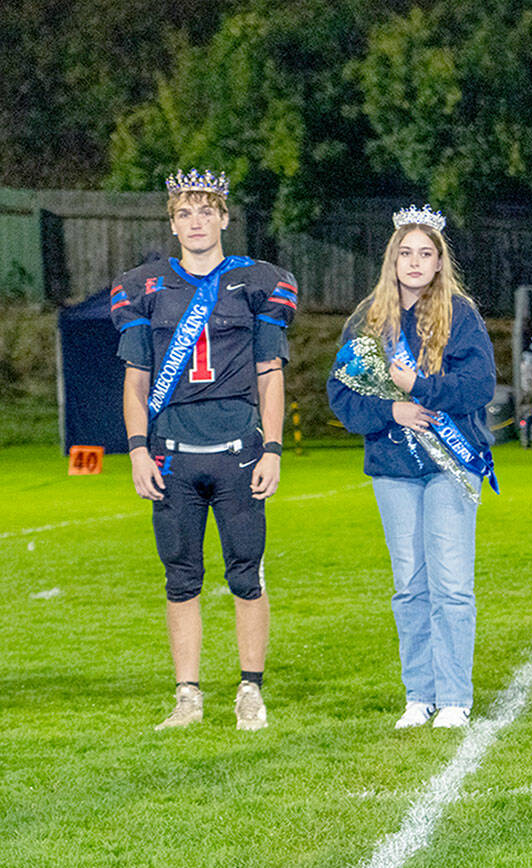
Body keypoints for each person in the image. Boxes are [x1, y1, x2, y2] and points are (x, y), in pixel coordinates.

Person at [111, 169, 296, 731]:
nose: (196, 222)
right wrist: (138, 450)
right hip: (173, 453)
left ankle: (250, 691)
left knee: (247, 573)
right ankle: (187, 696)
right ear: (173, 224)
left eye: (206, 211)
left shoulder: (257, 282)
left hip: (239, 448)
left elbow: (270, 374)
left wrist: (274, 448)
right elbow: (136, 381)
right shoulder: (145, 286)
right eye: (185, 213)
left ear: (224, 218)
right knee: (180, 576)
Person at [327, 204, 496, 730]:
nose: (416, 262)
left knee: (451, 585)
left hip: (450, 464)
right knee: (409, 585)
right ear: (392, 260)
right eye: (407, 252)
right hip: (393, 465)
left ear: (441, 262)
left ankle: (453, 698)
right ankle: (418, 695)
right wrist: (390, 410)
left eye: (427, 253)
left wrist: (420, 388)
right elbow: (340, 391)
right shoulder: (367, 320)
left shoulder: (461, 316)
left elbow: (479, 387)